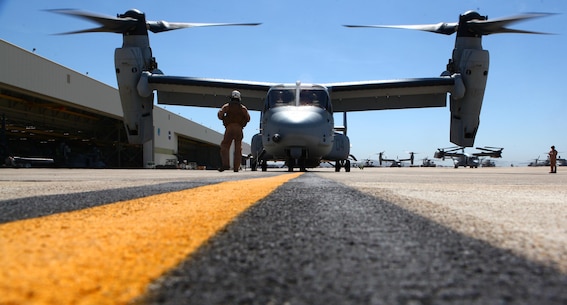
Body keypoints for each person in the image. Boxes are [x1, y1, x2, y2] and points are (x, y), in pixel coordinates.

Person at [217, 90, 250, 172]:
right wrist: (242, 123)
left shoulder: (227, 106)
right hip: (239, 129)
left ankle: (225, 165)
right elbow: (248, 118)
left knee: (225, 146)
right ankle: (236, 167)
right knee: (238, 148)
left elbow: (220, 115)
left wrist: (224, 118)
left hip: (229, 128)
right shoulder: (243, 108)